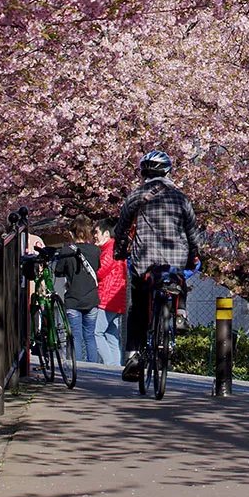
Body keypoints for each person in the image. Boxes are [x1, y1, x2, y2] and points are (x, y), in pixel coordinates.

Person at [113, 149, 203, 381]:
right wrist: (194, 254)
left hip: (145, 261)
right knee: (177, 278)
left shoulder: (136, 196)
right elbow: (192, 232)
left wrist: (119, 251)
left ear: (144, 172)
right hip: (175, 259)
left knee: (138, 308)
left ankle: (133, 355)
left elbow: (121, 228)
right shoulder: (181, 197)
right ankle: (180, 313)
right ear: (167, 171)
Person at [52, 225, 103, 366]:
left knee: (76, 336)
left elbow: (58, 271)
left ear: (72, 233)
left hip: (73, 299)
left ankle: (78, 367)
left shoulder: (67, 251)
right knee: (90, 336)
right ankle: (94, 367)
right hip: (92, 298)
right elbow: (98, 268)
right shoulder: (95, 250)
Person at [93, 223, 126, 364]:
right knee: (111, 334)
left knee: (96, 333)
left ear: (106, 234)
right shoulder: (116, 248)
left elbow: (101, 271)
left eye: (96, 232)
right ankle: (116, 366)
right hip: (118, 299)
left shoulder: (109, 249)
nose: (94, 236)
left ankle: (109, 365)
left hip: (107, 298)